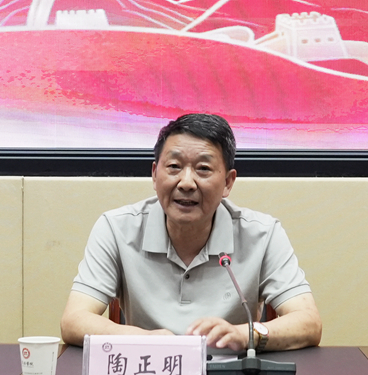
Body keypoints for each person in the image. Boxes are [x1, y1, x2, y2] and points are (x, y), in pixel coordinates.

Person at [60, 113, 321, 352]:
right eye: (174, 166)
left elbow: (309, 323)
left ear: (228, 182)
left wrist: (244, 335)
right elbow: (74, 320)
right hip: (148, 374)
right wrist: (143, 339)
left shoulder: (263, 234)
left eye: (203, 169)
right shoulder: (116, 228)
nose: (186, 183)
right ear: (154, 174)